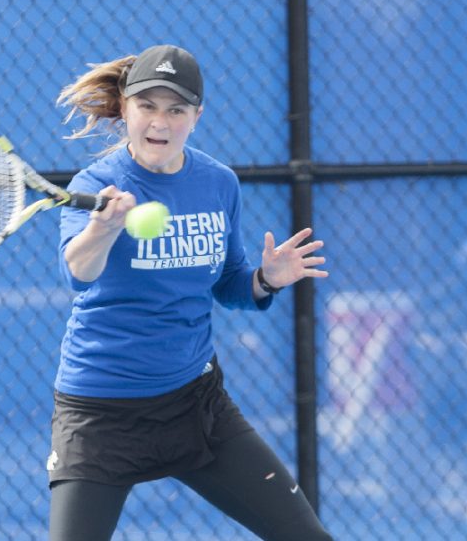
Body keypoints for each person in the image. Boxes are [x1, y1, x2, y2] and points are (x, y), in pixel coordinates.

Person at [47, 44, 332, 540]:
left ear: (195, 117)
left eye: (175, 109)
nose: (160, 121)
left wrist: (266, 280)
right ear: (124, 108)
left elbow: (230, 284)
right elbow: (79, 272)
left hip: (195, 406)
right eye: (147, 106)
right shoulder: (98, 183)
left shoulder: (218, 183)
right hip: (99, 414)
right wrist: (103, 229)